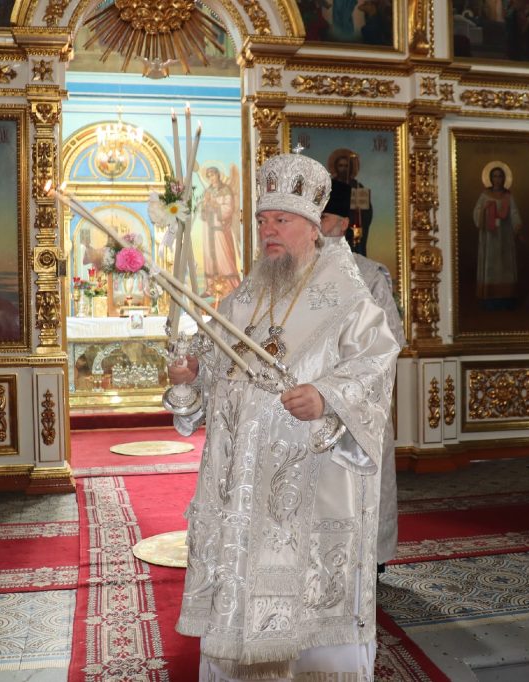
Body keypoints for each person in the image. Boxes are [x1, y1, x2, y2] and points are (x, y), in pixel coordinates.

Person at [169, 152, 400, 679]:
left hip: (311, 485)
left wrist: (325, 396)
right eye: (262, 220)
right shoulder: (243, 298)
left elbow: (376, 360)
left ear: (313, 227)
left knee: (308, 616)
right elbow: (212, 375)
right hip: (242, 489)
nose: (268, 230)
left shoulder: (347, 296)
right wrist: (192, 376)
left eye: (281, 219)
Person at [320, 178, 405, 573]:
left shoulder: (369, 275)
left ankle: (370, 562)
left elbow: (391, 340)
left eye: (322, 218)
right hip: (303, 406)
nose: (315, 225)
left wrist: (338, 378)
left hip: (357, 407)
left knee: (360, 489)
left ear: (341, 224)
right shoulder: (287, 274)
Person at [472, 164, 523, 309]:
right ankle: (489, 300)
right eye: (495, 176)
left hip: (505, 237)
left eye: (500, 176)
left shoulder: (508, 196)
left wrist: (517, 225)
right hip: (489, 238)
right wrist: (484, 210)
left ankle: (507, 299)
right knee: (490, 265)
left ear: (504, 179)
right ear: (490, 178)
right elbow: (476, 212)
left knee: (505, 266)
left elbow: (514, 212)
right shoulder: (484, 196)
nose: (497, 179)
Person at [198, 165, 242, 301]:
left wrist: (215, 204)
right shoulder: (208, 191)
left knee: (223, 254)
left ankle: (231, 286)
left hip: (220, 228)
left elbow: (229, 209)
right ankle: (211, 287)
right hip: (209, 228)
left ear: (218, 175)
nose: (211, 178)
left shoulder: (226, 190)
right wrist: (204, 205)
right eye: (209, 176)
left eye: (213, 175)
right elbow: (202, 213)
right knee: (210, 256)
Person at [327, 149, 373, 256]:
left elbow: (367, 212)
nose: (343, 169)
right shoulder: (330, 186)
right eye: (341, 165)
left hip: (353, 228)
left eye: (346, 166)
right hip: (335, 228)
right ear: (336, 167)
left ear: (351, 168)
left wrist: (359, 211)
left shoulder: (356, 186)